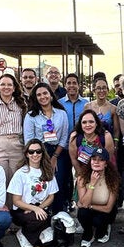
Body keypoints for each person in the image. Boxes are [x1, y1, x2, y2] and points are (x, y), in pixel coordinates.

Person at [24, 83, 70, 212]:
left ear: (51, 95)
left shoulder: (61, 113)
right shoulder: (31, 116)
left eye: (45, 93)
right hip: (38, 152)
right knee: (41, 183)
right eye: (39, 95)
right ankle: (41, 213)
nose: (42, 97)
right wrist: (38, 156)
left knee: (59, 182)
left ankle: (59, 214)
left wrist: (55, 156)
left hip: (58, 151)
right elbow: (29, 140)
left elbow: (64, 137)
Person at [8, 139, 59, 247]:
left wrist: (39, 208)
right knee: (39, 219)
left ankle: (36, 233)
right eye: (31, 152)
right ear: (27, 154)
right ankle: (23, 233)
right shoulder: (20, 173)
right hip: (22, 210)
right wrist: (33, 209)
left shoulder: (48, 171)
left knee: (47, 241)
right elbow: (16, 201)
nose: (35, 154)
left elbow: (51, 196)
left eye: (38, 151)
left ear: (42, 153)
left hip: (41, 208)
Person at [76, 147, 121, 247]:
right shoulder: (82, 178)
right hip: (89, 209)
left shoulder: (113, 179)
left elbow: (108, 208)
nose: (96, 162)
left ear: (106, 164)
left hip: (105, 211)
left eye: (101, 160)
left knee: (98, 221)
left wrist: (90, 206)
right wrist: (92, 184)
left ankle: (104, 229)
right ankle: (88, 233)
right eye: (94, 159)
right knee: (82, 213)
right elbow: (84, 204)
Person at [69, 108, 115, 176]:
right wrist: (82, 177)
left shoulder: (106, 136)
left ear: (96, 123)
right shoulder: (75, 137)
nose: (88, 125)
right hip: (82, 173)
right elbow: (74, 159)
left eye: (91, 122)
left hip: (103, 174)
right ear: (80, 124)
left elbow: (109, 159)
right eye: (84, 122)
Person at [84, 76, 121, 144]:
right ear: (94, 90)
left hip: (108, 144)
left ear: (107, 90)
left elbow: (116, 130)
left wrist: (115, 144)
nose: (101, 91)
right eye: (98, 88)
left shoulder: (113, 108)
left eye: (104, 88)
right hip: (90, 144)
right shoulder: (88, 107)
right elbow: (83, 126)